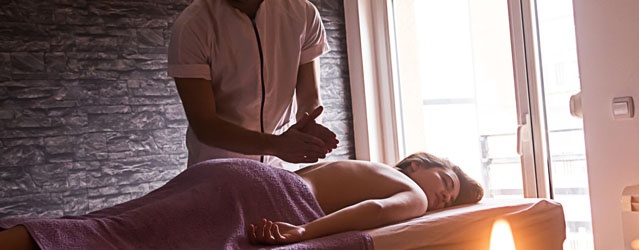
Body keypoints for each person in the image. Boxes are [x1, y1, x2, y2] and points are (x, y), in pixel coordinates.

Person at [0, 152, 484, 249]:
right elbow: (376, 214)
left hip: (238, 172)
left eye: (448, 200)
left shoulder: (364, 165)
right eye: (446, 181)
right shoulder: (412, 192)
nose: (441, 196)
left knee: (113, 222)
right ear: (419, 164)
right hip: (264, 193)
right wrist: (300, 232)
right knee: (118, 238)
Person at [167, 0, 339, 168]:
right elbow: (205, 125)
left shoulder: (303, 12)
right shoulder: (192, 25)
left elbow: (309, 95)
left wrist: (308, 126)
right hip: (218, 171)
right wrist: (277, 145)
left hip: (282, 168)